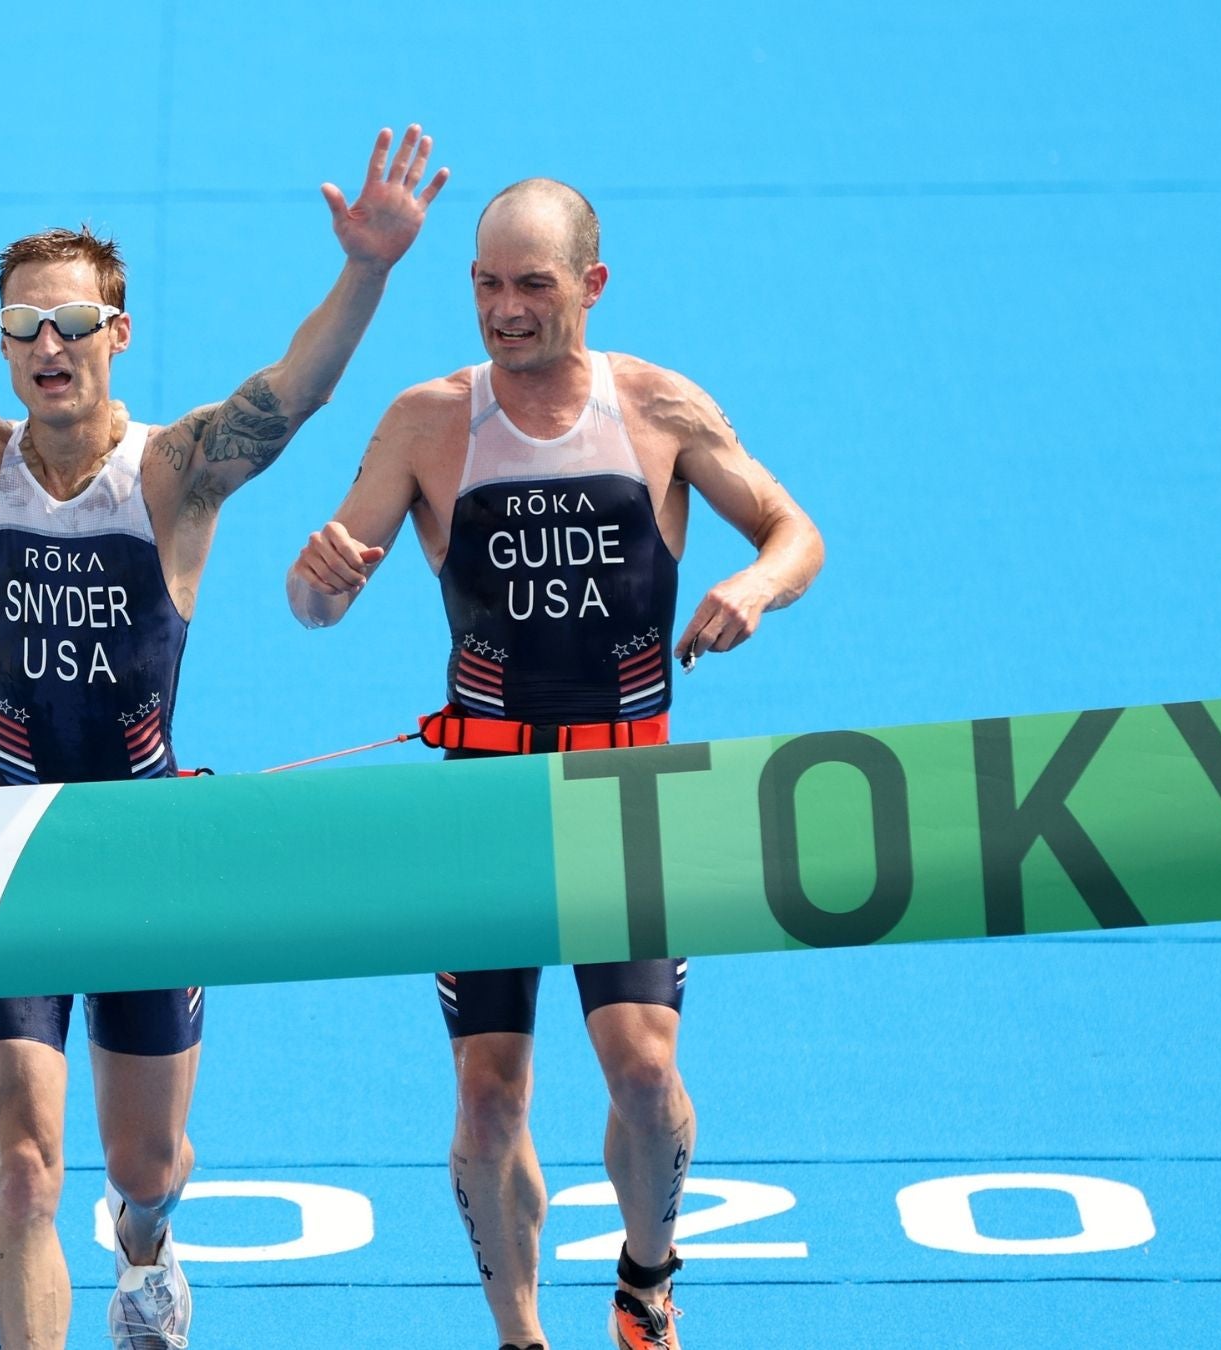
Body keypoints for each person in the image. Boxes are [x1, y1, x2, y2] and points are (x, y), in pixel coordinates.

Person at [0, 42, 445, 1349]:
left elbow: (298, 394)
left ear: (118, 332)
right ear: (2, 344)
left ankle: (151, 1254)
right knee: (20, 1167)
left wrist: (367, 266)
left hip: (148, 857)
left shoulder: (174, 474)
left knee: (143, 1170)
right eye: (22, 328)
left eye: (72, 325)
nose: (48, 348)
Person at [285, 178, 824, 1350]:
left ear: (593, 283)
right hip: (482, 807)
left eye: (534, 284)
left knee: (642, 1073)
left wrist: (752, 586)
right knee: (488, 1100)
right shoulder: (430, 421)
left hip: (626, 800)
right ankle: (518, 1333)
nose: (506, 309)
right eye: (486, 283)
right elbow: (315, 599)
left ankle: (644, 1276)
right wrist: (320, 582)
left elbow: (797, 532)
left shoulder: (659, 407)